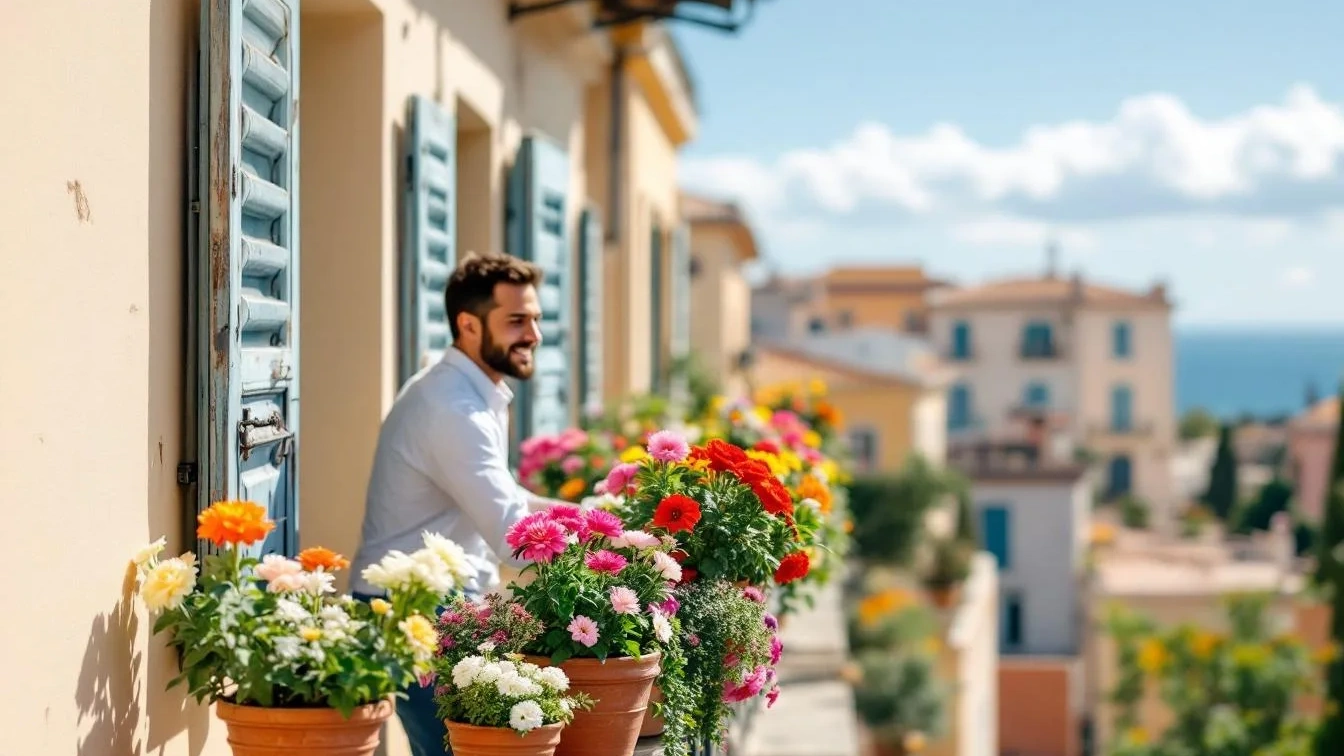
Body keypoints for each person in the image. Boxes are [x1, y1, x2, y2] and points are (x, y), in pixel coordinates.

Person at [350, 251, 566, 756]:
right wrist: (609, 543)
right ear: (468, 324)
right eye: (516, 320)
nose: (533, 334)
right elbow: (515, 541)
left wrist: (603, 517)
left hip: (441, 605)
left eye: (535, 318)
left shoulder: (469, 392)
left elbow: (509, 499)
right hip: (416, 609)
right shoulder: (455, 409)